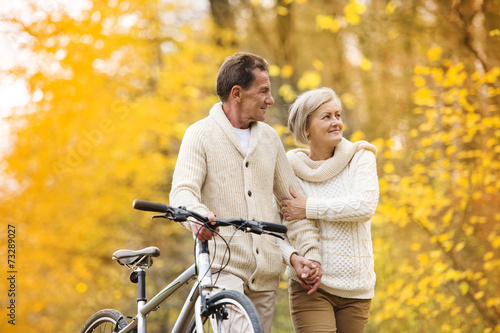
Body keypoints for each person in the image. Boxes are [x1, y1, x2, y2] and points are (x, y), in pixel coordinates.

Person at [169, 52, 321, 333]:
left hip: (265, 274)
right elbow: (183, 192)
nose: (270, 99)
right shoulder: (199, 135)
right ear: (237, 93)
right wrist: (198, 216)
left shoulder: (270, 139)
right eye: (263, 91)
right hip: (222, 266)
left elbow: (293, 203)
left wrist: (307, 254)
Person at [280, 87, 379, 333]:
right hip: (312, 288)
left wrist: (309, 207)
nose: (336, 122)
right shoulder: (288, 168)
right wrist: (292, 258)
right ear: (306, 128)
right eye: (326, 117)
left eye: (338, 115)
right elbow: (273, 228)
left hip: (357, 290)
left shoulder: (361, 156)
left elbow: (364, 206)